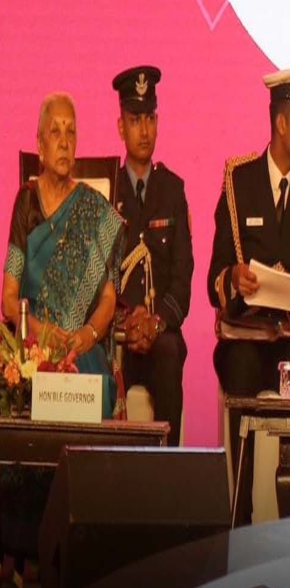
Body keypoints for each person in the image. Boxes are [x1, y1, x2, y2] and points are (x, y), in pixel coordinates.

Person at [208, 64, 290, 523]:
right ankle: (239, 519)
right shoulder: (238, 182)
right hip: (245, 335)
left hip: (288, 341)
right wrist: (234, 276)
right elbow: (214, 277)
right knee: (240, 368)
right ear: (281, 123)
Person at [2, 92, 124, 418]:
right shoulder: (26, 202)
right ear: (40, 145)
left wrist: (87, 335)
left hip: (78, 345)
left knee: (93, 382)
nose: (64, 141)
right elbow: (9, 300)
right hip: (33, 343)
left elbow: (108, 299)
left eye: (71, 131)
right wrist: (41, 333)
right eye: (55, 131)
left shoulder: (93, 208)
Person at [112, 66, 193, 447]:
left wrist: (155, 322)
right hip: (118, 335)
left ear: (157, 123)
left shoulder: (172, 190)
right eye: (134, 120)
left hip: (160, 334)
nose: (143, 130)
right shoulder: (106, 191)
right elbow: (99, 278)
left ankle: (169, 467)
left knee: (169, 352)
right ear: (121, 127)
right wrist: (127, 322)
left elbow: (182, 275)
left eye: (149, 119)